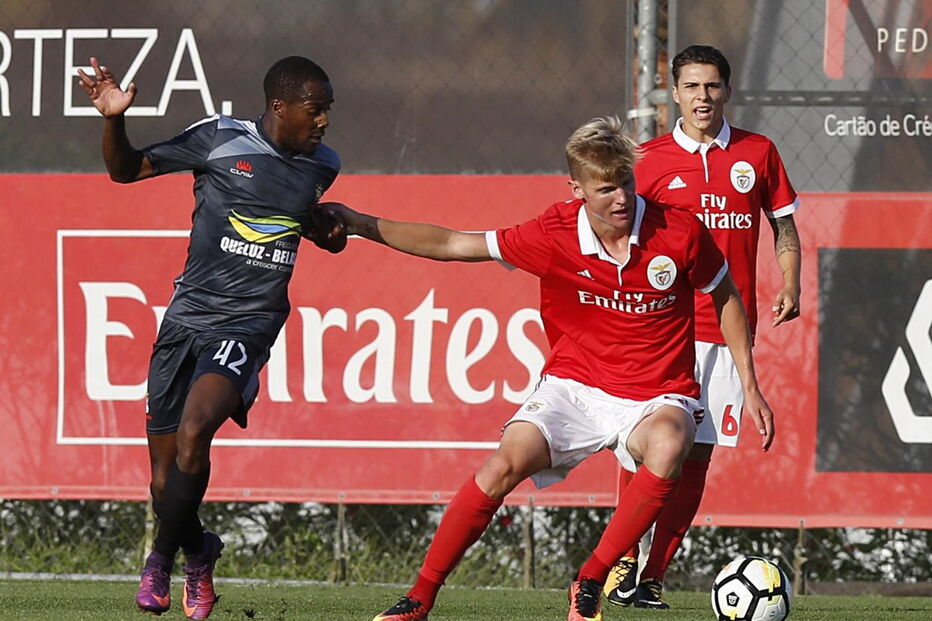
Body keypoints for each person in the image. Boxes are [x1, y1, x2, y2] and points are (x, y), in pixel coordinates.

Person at [327, 115, 774, 621]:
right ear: (577, 188)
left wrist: (750, 384)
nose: (621, 198)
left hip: (657, 393)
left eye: (625, 182)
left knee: (672, 443)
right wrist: (361, 225)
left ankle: (591, 577)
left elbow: (725, 295)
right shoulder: (552, 232)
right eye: (605, 189)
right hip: (574, 387)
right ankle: (419, 598)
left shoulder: (678, 229)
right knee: (502, 466)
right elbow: (454, 244)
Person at [77, 55, 345, 619]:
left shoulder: (324, 164)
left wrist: (328, 234)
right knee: (161, 483)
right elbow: (126, 170)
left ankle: (159, 561)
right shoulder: (220, 139)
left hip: (249, 324)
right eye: (314, 110)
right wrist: (112, 119)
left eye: (327, 112)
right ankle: (200, 551)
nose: (323, 123)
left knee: (198, 429)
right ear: (280, 106)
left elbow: (305, 220)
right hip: (185, 321)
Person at [602, 44, 801, 610]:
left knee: (697, 456)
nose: (702, 98)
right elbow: (622, 239)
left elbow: (784, 227)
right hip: (661, 327)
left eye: (712, 86)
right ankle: (620, 561)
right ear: (675, 93)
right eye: (691, 87)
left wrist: (791, 281)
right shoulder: (648, 159)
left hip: (727, 331)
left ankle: (653, 577)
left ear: (728, 91)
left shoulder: (758, 152)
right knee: (640, 453)